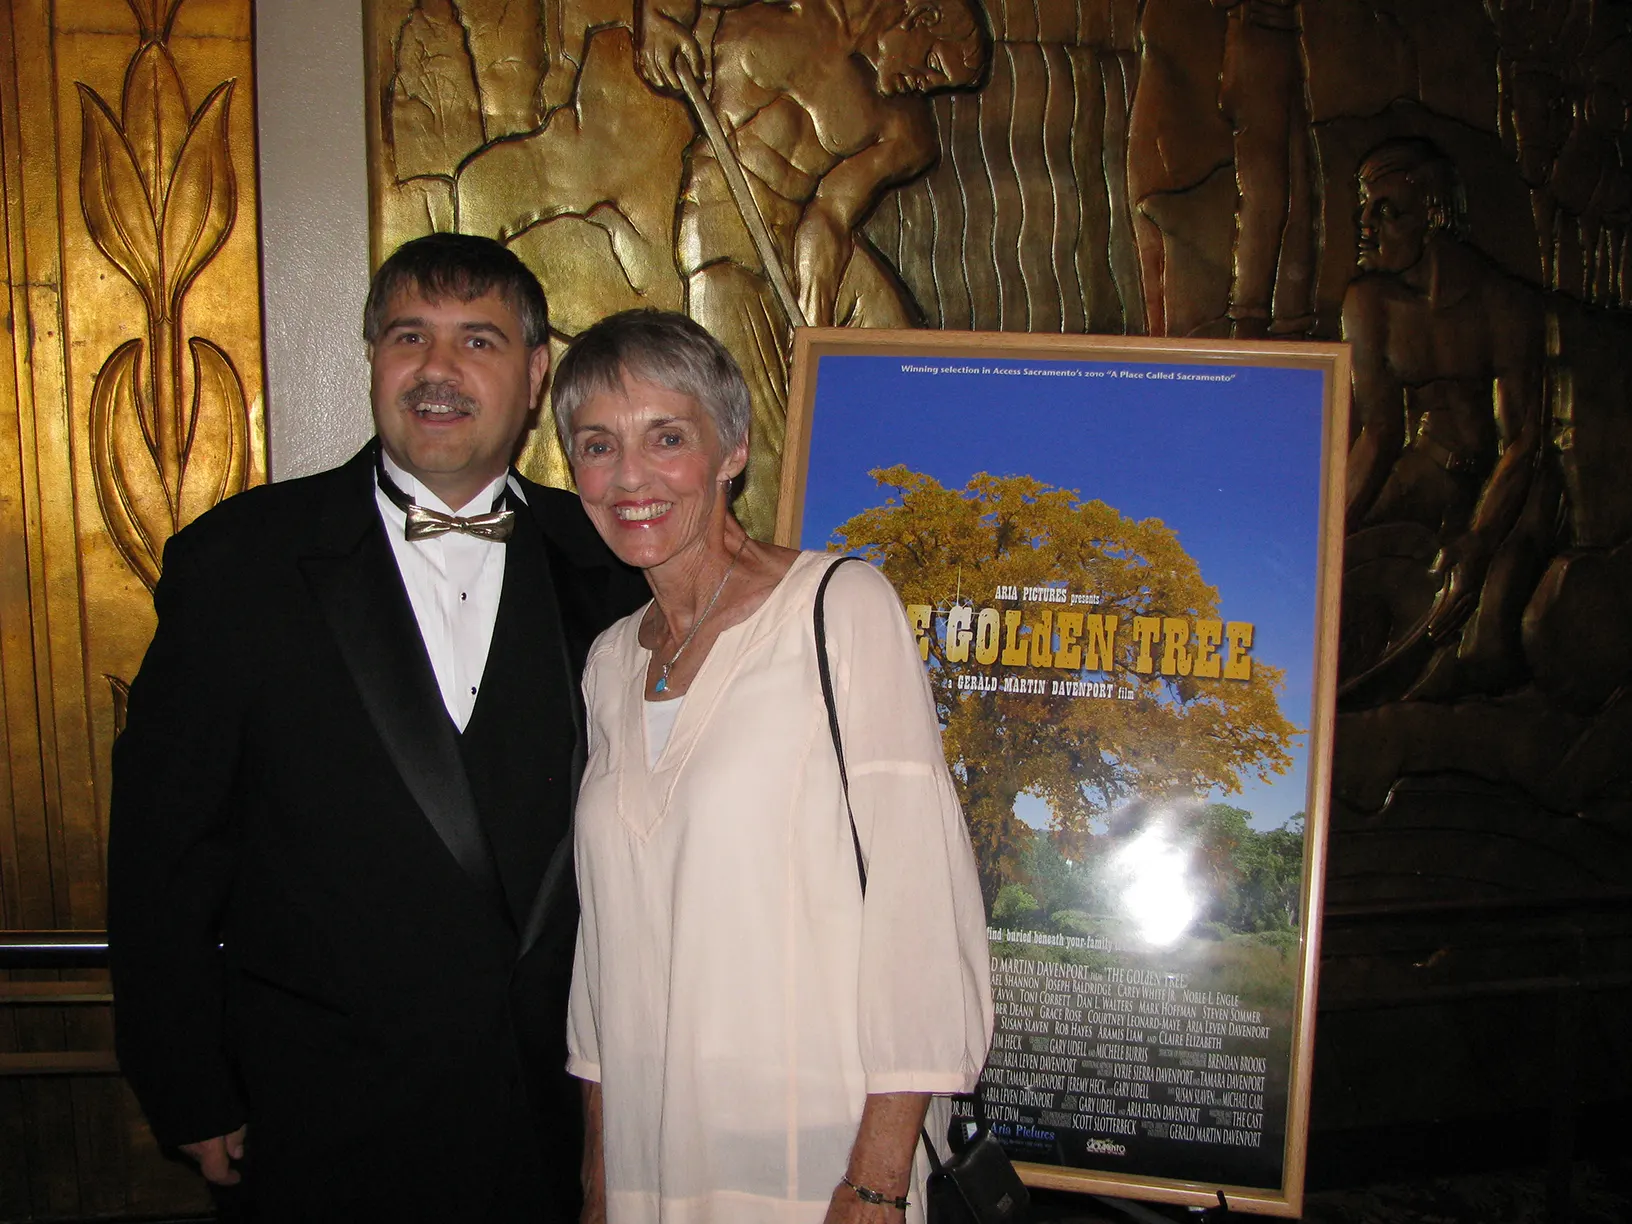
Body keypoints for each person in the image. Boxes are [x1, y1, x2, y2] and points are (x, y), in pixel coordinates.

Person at [108, 233, 647, 1220]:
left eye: (477, 340)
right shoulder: (240, 563)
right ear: (374, 361)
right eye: (409, 336)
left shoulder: (615, 566)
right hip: (319, 1118)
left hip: (561, 1120)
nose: (437, 370)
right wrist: (184, 1080)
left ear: (534, 377)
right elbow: (164, 850)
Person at [553, 309, 992, 1224]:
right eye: (598, 445)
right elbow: (604, 955)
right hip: (648, 1162)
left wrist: (874, 1179)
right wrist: (599, 1178)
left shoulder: (837, 609)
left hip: (809, 1157)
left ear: (732, 451)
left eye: (666, 437)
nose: (629, 476)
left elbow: (920, 904)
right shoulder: (608, 663)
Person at [635, 0, 989, 534]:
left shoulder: (907, 132)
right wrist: (655, 18)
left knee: (908, 374)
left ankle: (917, 530)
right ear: (919, 19)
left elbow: (830, 215)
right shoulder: (792, 10)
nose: (925, 86)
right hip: (726, 234)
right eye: (934, 68)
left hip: (815, 245)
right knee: (760, 448)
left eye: (939, 88)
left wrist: (814, 332)